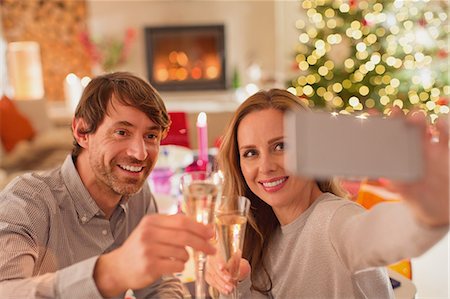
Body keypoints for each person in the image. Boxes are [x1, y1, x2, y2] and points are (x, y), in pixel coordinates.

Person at [205, 89, 449, 298]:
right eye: (250, 153)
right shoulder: (262, 235)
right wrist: (236, 281)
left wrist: (428, 214)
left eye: (281, 146)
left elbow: (380, 235)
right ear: (239, 164)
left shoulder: (335, 220)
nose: (266, 166)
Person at [0, 72, 215, 298]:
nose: (140, 153)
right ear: (82, 132)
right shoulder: (26, 202)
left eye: (151, 136)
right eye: (122, 132)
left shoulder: (139, 196)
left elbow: (159, 285)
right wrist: (109, 273)